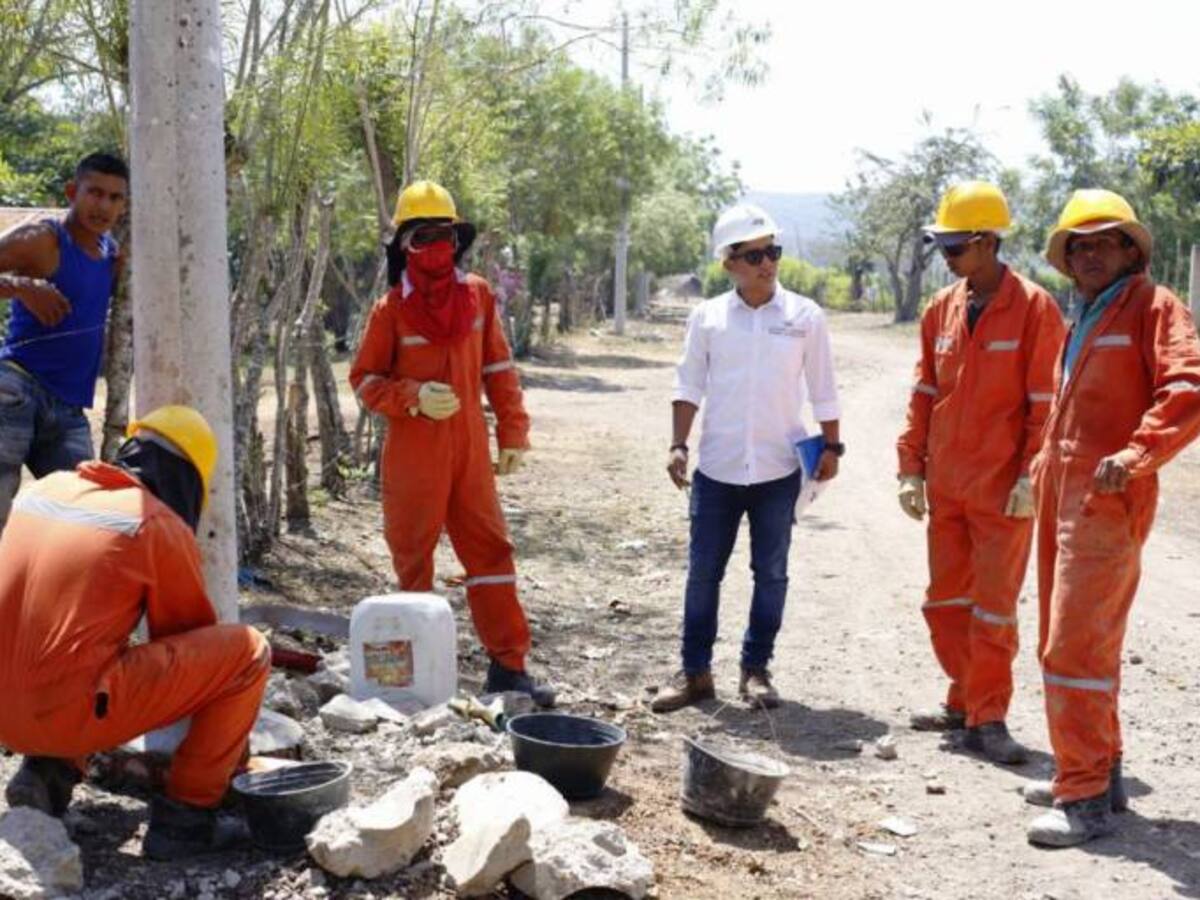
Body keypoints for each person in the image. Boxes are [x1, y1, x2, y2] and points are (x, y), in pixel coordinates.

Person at [0, 405, 271, 860]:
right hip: (64, 710)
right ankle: (188, 818)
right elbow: (187, 640)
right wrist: (231, 752)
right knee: (246, 654)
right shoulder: (154, 522)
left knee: (78, 642)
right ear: (188, 478)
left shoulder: (44, 488)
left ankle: (48, 772)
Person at [1023, 190, 1200, 847]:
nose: (1089, 253)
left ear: (1132, 249)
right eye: (1078, 245)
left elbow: (1187, 388)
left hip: (1108, 496)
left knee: (1075, 645)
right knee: (1069, 639)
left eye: (1103, 241)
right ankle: (1099, 771)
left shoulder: (1155, 306)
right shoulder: (1087, 312)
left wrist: (1137, 453)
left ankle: (1085, 798)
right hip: (1063, 495)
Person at [349, 180, 552, 707]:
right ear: (403, 246)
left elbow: (499, 367)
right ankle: (413, 682)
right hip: (414, 456)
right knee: (412, 561)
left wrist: (513, 431)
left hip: (468, 453)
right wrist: (412, 396)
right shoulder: (389, 311)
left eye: (445, 234)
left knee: (490, 554)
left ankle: (509, 668)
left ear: (457, 239)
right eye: (422, 236)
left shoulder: (478, 296)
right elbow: (365, 380)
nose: (436, 247)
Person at [897, 181, 1066, 765]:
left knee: (993, 610)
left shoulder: (1036, 309)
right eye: (942, 248)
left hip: (1003, 493)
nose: (947, 259)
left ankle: (986, 718)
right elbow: (924, 392)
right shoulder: (940, 310)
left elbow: (1045, 403)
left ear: (989, 241)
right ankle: (963, 698)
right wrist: (910, 469)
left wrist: (1030, 477)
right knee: (945, 604)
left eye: (955, 247)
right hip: (948, 487)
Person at [651, 202, 842, 713]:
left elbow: (824, 388)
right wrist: (677, 444)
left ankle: (756, 671)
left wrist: (833, 445)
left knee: (772, 573)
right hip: (717, 469)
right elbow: (688, 384)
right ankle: (695, 674)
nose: (766, 263)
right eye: (754, 254)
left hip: (779, 469)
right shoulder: (707, 317)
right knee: (703, 574)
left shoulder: (804, 317)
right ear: (728, 262)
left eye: (772, 251)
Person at [0, 152, 129, 532]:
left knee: (85, 522)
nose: (102, 205)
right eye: (94, 192)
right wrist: (20, 287)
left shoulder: (113, 256)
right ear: (72, 191)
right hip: (15, 388)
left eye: (114, 197)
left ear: (124, 206)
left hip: (69, 408)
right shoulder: (42, 237)